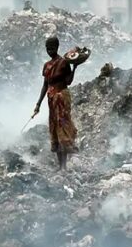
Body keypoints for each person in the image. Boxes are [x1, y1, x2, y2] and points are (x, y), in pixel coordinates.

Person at [33, 36, 90, 170]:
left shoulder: (64, 62)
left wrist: (74, 68)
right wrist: (38, 104)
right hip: (51, 100)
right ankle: (60, 165)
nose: (49, 51)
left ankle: (64, 166)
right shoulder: (46, 65)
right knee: (54, 129)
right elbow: (45, 85)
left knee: (62, 127)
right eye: (47, 48)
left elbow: (68, 82)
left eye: (52, 48)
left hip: (62, 98)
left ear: (57, 47)